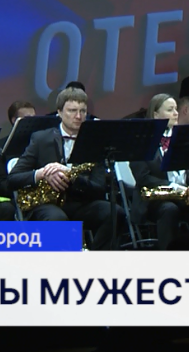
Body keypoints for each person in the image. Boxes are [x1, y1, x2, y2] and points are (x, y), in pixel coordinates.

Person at [8, 88, 122, 249]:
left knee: (115, 213)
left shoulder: (94, 142)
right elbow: (13, 179)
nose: (78, 116)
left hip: (80, 202)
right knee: (58, 220)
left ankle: (96, 259)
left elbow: (99, 189)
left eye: (83, 111)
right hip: (48, 205)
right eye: (72, 110)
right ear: (60, 113)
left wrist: (73, 177)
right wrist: (41, 173)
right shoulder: (41, 139)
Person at [129, 94, 189, 249]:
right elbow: (143, 179)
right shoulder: (141, 141)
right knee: (169, 209)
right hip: (154, 200)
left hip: (185, 195)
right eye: (170, 110)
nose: (176, 113)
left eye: (176, 109)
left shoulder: (184, 137)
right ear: (156, 115)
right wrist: (173, 187)